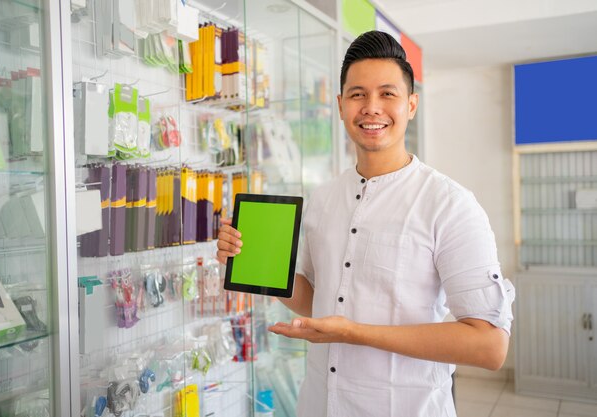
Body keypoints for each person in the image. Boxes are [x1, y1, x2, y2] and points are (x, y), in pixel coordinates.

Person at [217, 30, 515, 417]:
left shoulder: (450, 204)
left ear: (411, 105)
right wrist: (250, 260)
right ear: (340, 105)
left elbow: (489, 346)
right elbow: (314, 299)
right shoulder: (323, 199)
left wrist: (354, 332)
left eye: (387, 94)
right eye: (358, 94)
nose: (371, 107)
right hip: (319, 404)